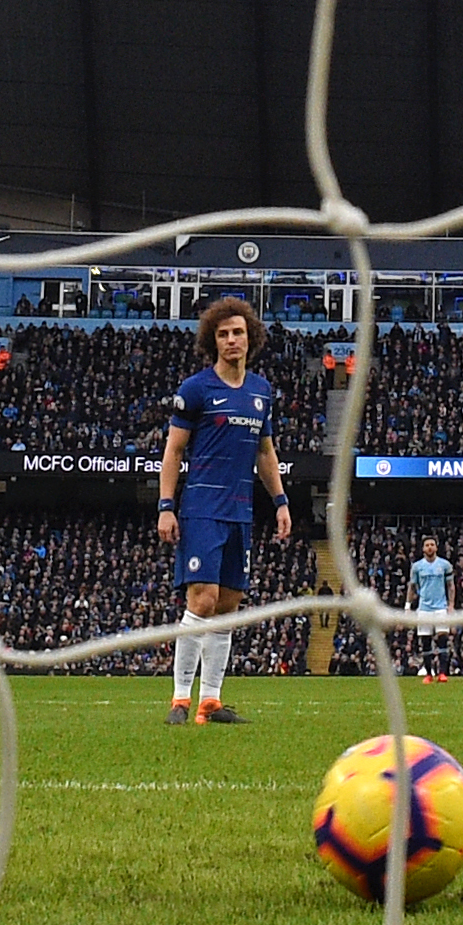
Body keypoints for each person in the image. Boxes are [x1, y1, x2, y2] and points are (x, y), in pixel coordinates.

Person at [157, 295, 289, 726]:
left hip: (241, 511)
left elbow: (265, 452)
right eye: (223, 334)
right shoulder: (196, 389)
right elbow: (174, 450)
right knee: (203, 599)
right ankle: (180, 699)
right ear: (212, 341)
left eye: (238, 333)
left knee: (229, 604)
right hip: (201, 509)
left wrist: (281, 501)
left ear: (251, 339)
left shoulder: (261, 391)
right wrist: (166, 506)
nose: (232, 340)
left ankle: (210, 702)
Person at [408, 536, 455, 684]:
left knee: (442, 639)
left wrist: (451, 605)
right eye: (427, 545)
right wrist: (408, 606)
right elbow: (412, 586)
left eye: (432, 544)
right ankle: (429, 674)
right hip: (424, 608)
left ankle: (442, 673)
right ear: (423, 548)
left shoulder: (445, 565)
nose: (429, 547)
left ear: (436, 547)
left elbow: (451, 586)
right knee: (426, 641)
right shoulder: (417, 567)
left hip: (441, 607)